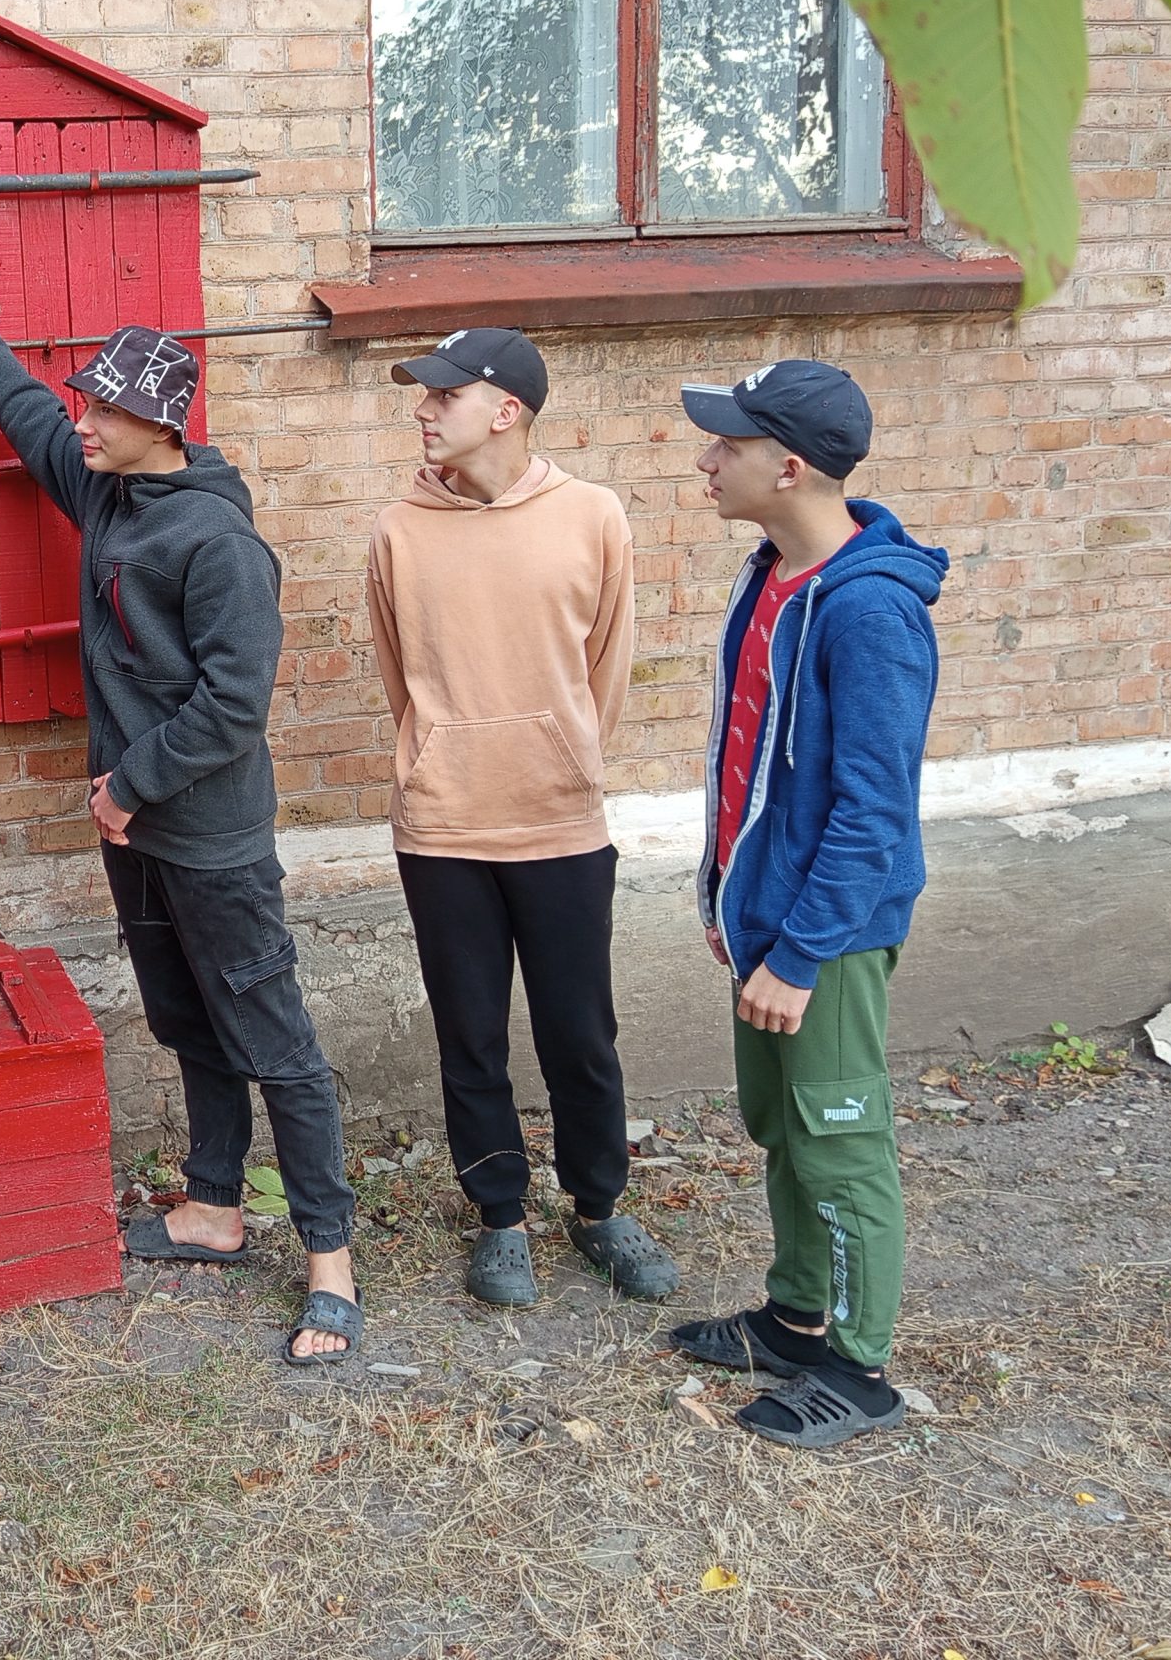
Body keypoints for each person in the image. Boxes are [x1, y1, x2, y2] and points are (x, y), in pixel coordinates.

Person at [0, 221, 363, 1367]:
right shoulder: (107, 490)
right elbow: (24, 412)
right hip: (133, 827)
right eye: (86, 402)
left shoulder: (215, 543)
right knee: (186, 1018)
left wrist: (130, 787)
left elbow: (236, 706)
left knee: (271, 1036)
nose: (80, 418)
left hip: (205, 835)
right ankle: (210, 1207)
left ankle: (331, 1260)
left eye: (100, 406)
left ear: (157, 424)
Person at [665, 359, 948, 1450]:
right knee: (782, 1127)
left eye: (724, 447)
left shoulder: (870, 613)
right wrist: (728, 900)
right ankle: (794, 1318)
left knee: (838, 1139)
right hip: (771, 924)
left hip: (825, 937)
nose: (706, 461)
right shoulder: (770, 575)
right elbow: (747, 763)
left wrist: (800, 953)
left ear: (787, 466)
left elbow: (872, 812)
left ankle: (859, 1365)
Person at [369, 328, 679, 1309]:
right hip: (443, 829)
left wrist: (566, 756)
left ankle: (598, 1208)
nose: (422, 409)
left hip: (559, 824)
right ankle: (499, 1215)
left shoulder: (592, 517)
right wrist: (438, 756)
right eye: (421, 395)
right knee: (471, 1035)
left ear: (504, 409)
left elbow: (606, 667)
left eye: (440, 395)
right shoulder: (397, 533)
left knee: (579, 1030)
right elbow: (399, 681)